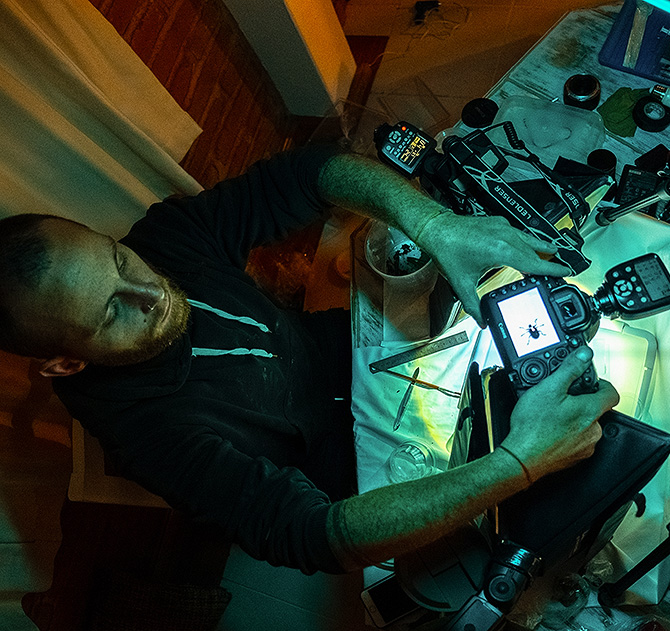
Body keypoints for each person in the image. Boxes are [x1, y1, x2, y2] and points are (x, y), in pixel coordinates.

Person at [0, 146, 619, 574]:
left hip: (342, 349)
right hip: (343, 466)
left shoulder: (160, 248)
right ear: (65, 364)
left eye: (117, 260)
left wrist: (436, 225)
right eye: (112, 312)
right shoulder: (151, 437)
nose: (152, 290)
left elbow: (306, 173)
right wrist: (520, 461)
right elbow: (321, 536)